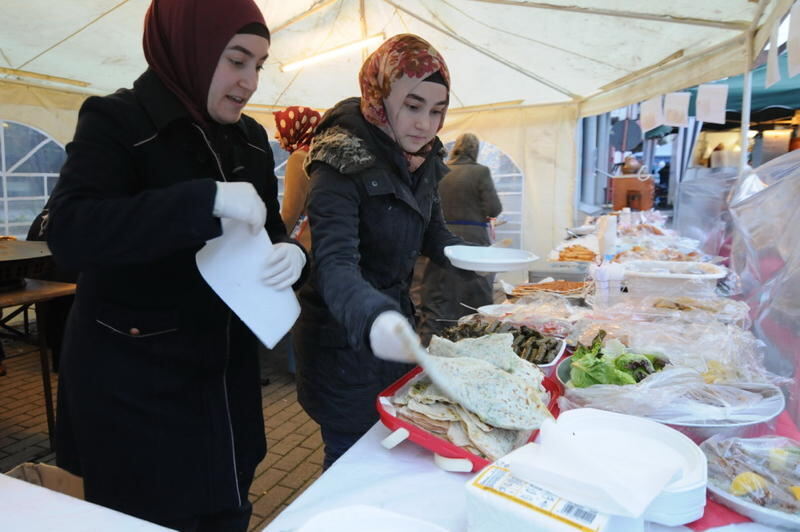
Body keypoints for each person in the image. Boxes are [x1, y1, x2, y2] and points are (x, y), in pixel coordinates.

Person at [45, 0, 308, 529]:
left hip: (225, 378)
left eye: (259, 64)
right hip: (134, 386)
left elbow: (268, 229)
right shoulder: (118, 120)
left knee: (228, 503)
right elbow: (71, 232)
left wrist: (293, 253)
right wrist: (200, 201)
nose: (251, 81)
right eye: (237, 60)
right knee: (147, 511)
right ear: (191, 49)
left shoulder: (251, 140)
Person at [293, 34, 466, 469]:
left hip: (393, 334)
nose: (425, 123)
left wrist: (470, 256)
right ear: (380, 95)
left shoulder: (421, 158)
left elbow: (435, 234)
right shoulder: (338, 159)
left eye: (437, 110)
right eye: (413, 105)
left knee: (394, 452)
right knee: (352, 460)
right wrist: (374, 315)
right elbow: (333, 264)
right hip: (341, 344)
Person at [418, 132, 503, 344]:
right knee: (475, 293)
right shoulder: (480, 172)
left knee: (440, 295)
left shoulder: (441, 170)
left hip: (438, 240)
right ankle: (476, 341)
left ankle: (439, 342)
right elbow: (494, 208)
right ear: (475, 150)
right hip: (473, 238)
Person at [274, 105, 322, 251]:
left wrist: (274, 241)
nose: (276, 135)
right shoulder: (319, 155)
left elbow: (291, 211)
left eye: (280, 127)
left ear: (296, 128)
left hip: (306, 241)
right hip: (324, 238)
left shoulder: (300, 158)